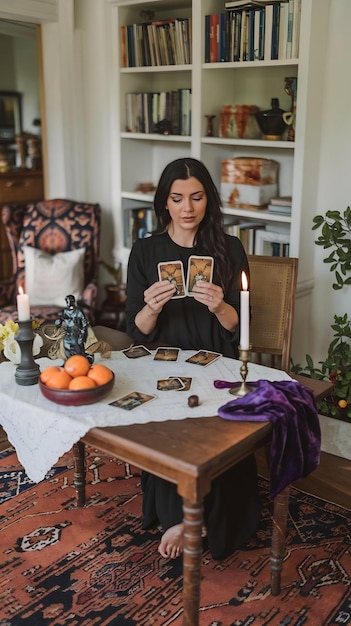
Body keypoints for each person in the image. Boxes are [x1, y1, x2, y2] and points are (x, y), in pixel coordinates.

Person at [125, 157, 260, 561]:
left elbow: (244, 325)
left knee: (221, 434)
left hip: (216, 366)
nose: (188, 208)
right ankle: (179, 517)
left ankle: (200, 518)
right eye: (178, 198)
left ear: (208, 200)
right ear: (164, 202)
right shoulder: (146, 251)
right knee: (170, 427)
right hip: (162, 366)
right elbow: (136, 332)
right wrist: (149, 308)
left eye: (197, 197)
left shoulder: (229, 248)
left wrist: (221, 306)